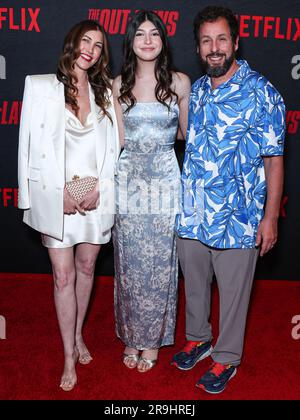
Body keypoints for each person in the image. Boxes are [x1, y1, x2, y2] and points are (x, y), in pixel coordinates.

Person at [172, 5, 285, 394]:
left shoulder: (263, 93)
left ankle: (226, 358)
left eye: (221, 39)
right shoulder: (198, 91)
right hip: (194, 213)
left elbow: (274, 161)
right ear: (199, 48)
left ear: (235, 42)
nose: (214, 47)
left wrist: (270, 219)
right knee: (196, 283)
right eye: (206, 41)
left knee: (235, 294)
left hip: (238, 216)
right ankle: (199, 337)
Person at [18, 20, 120, 391]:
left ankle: (78, 336)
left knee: (87, 267)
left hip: (95, 198)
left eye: (98, 45)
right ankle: (66, 356)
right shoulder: (40, 85)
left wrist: (102, 188)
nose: (90, 48)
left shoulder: (106, 93)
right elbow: (26, 149)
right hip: (56, 198)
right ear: (72, 41)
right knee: (63, 276)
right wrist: (43, 196)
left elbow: (113, 151)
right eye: (85, 40)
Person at [112, 10, 191, 372]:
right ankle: (131, 336)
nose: (147, 40)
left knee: (161, 263)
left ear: (163, 40)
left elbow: (186, 136)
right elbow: (117, 141)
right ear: (131, 41)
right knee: (129, 263)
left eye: (154, 34)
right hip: (128, 182)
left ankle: (155, 340)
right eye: (140, 34)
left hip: (163, 182)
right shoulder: (117, 85)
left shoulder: (179, 83)